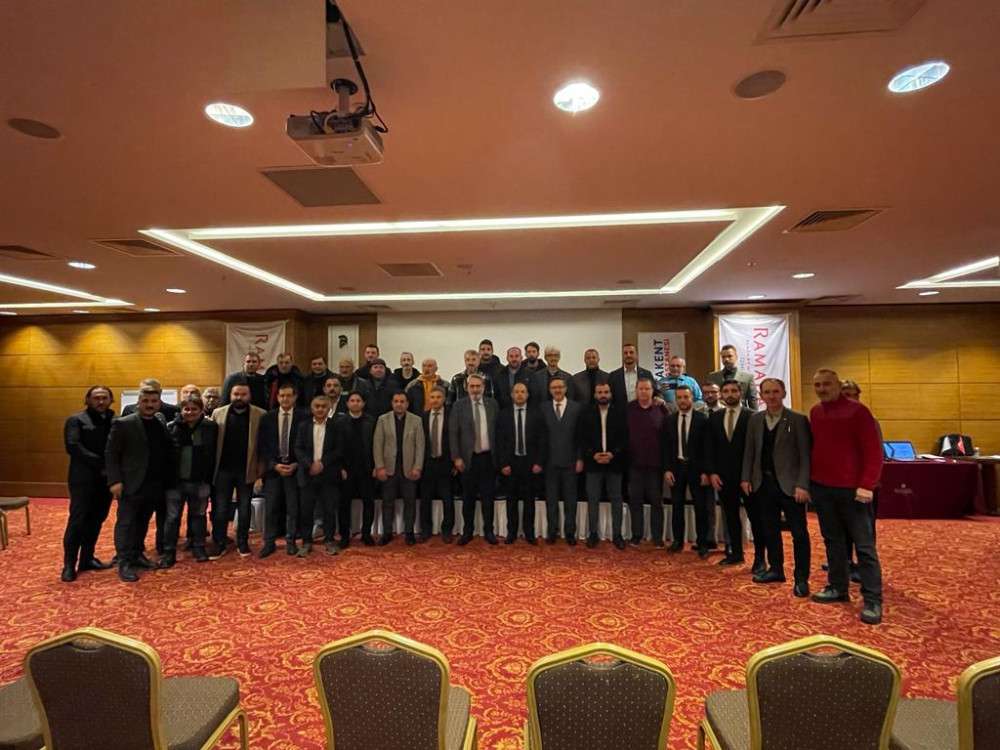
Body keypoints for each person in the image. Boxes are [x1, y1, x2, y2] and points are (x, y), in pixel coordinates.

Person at [809, 368, 884, 625]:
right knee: (833, 542)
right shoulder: (815, 413)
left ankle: (872, 599)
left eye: (826, 384)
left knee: (864, 546)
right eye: (817, 385)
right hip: (823, 489)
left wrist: (867, 485)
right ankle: (838, 587)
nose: (822, 389)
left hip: (854, 492)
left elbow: (873, 452)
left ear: (838, 386)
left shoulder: (858, 412)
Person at [741, 377, 812, 597]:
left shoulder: (798, 419)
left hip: (791, 486)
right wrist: (746, 477)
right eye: (767, 392)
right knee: (769, 529)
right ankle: (776, 569)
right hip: (763, 484)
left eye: (775, 392)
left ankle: (801, 579)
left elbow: (806, 455)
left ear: (783, 393)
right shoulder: (755, 419)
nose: (771, 396)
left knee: (799, 533)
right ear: (761, 395)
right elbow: (749, 451)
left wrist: (803, 484)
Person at [105, 383, 176, 582]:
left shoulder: (160, 420)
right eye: (145, 401)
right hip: (131, 483)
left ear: (159, 403)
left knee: (143, 521)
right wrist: (115, 480)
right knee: (126, 523)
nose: (149, 404)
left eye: (154, 401)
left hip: (154, 483)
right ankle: (124, 562)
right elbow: (111, 454)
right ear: (139, 402)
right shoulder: (123, 423)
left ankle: (137, 554)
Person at [61, 385, 116, 582]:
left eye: (104, 398)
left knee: (97, 519)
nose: (100, 401)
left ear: (111, 400)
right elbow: (73, 447)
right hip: (82, 479)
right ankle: (69, 565)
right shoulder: (76, 420)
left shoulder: (114, 420)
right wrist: (102, 462)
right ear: (87, 400)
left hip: (105, 480)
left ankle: (87, 558)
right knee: (78, 520)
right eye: (96, 398)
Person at [210, 382, 265, 559]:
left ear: (249, 396)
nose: (239, 397)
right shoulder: (218, 413)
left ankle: (242, 542)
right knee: (220, 508)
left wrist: (260, 472)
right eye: (236, 394)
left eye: (243, 394)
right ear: (230, 395)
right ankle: (219, 542)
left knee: (244, 508)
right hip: (223, 469)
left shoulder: (260, 414)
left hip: (246, 469)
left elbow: (263, 446)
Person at [162, 394, 217, 567]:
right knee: (172, 518)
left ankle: (199, 547)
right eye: (186, 409)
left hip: (200, 481)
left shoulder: (210, 427)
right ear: (181, 410)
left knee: (199, 515)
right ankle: (169, 552)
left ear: (201, 410)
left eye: (194, 409)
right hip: (175, 482)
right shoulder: (171, 427)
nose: (190, 412)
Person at [706, 380, 757, 568]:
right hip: (723, 477)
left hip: (747, 478)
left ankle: (760, 558)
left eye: (733, 391)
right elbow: (710, 448)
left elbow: (756, 449)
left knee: (755, 517)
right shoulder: (715, 417)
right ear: (721, 394)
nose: (730, 394)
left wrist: (750, 476)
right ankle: (736, 553)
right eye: (726, 391)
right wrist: (712, 473)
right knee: (731, 517)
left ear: (740, 393)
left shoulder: (752, 416)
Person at [257, 383, 308, 558]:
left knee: (292, 508)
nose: (285, 399)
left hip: (295, 469)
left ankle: (291, 541)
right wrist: (274, 465)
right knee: (271, 507)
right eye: (282, 396)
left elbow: (307, 444)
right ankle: (269, 542)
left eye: (289, 395)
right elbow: (262, 445)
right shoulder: (267, 418)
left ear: (295, 397)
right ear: (277, 397)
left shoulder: (304, 417)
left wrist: (297, 464)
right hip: (274, 470)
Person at [449, 374, 500, 545]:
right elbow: (453, 434)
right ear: (466, 387)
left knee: (488, 498)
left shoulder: (492, 404)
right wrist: (456, 457)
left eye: (478, 386)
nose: (476, 389)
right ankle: (467, 531)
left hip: (488, 458)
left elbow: (498, 431)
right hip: (467, 459)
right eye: (472, 386)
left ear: (484, 387)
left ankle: (489, 531)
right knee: (468, 498)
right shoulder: (458, 406)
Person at [842, 378, 882, 582]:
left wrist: (867, 484)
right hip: (840, 484)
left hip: (863, 486)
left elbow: (876, 454)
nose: (849, 399)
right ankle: (846, 561)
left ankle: (863, 568)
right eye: (845, 395)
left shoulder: (869, 420)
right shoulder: (835, 419)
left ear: (858, 396)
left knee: (864, 532)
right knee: (842, 529)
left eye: (852, 395)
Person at [580, 381, 627, 549]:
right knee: (593, 499)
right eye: (599, 392)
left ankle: (617, 535)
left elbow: (625, 437)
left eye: (606, 392)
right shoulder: (586, 413)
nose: (603, 395)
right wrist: (593, 454)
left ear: (611, 394)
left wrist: (613, 454)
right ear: (594, 395)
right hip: (593, 463)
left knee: (616, 499)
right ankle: (593, 534)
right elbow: (582, 438)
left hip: (615, 462)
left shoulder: (620, 412)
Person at [665, 385, 711, 556]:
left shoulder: (702, 419)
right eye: (679, 397)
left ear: (692, 398)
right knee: (677, 506)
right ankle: (677, 541)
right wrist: (667, 469)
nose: (683, 400)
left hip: (697, 470)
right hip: (676, 468)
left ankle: (702, 543)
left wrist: (706, 472)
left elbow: (707, 448)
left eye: (686, 397)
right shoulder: (670, 420)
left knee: (700, 507)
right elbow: (665, 447)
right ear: (675, 400)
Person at [374, 391, 425, 545]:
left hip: (409, 468)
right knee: (387, 502)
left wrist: (417, 467)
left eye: (402, 401)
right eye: (396, 401)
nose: (399, 404)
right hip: (389, 468)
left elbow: (420, 446)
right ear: (392, 403)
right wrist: (379, 467)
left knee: (410, 502)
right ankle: (387, 533)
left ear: (407, 404)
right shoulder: (382, 420)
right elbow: (377, 445)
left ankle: (409, 533)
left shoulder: (416, 420)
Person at [497, 382, 545, 544]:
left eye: (522, 392)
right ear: (511, 395)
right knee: (511, 500)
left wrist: (539, 462)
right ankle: (511, 532)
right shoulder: (503, 414)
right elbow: (499, 441)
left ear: (527, 395)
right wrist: (503, 463)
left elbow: (542, 440)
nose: (519, 394)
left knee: (529, 500)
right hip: (511, 464)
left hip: (530, 464)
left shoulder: (537, 414)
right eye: (516, 392)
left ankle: (529, 532)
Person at [294, 395, 342, 556]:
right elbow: (298, 448)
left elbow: (339, 449)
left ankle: (329, 540)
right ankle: (306, 541)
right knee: (306, 510)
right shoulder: (303, 426)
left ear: (329, 408)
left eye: (323, 406)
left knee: (329, 510)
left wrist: (322, 463)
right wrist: (310, 464)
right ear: (312, 408)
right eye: (317, 406)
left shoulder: (336, 426)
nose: (320, 409)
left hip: (329, 474)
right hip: (307, 474)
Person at [625, 379, 670, 545]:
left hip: (655, 465)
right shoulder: (629, 409)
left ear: (652, 391)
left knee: (656, 502)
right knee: (635, 501)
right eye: (640, 389)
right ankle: (636, 535)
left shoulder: (661, 409)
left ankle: (657, 537)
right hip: (634, 464)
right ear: (636, 390)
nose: (643, 392)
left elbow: (668, 436)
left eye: (647, 389)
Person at [541, 377, 584, 544]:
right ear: (550, 390)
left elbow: (580, 436)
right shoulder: (543, 408)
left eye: (560, 387)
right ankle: (552, 531)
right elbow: (540, 437)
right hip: (550, 462)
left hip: (571, 462)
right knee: (551, 500)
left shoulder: (576, 408)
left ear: (565, 389)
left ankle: (570, 532)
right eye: (554, 388)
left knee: (570, 500)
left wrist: (580, 458)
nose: (557, 390)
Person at [338, 390, 377, 546]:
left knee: (369, 502)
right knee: (344, 504)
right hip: (346, 470)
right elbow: (336, 447)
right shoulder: (340, 422)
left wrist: (376, 466)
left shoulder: (371, 421)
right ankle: (344, 536)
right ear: (347, 403)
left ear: (363, 403)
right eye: (352, 400)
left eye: (358, 400)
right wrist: (340, 467)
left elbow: (376, 445)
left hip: (366, 469)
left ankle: (366, 534)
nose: (355, 403)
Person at [419, 386, 456, 542]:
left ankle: (447, 530)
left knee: (447, 499)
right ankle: (425, 530)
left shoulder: (452, 416)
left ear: (444, 399)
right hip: (427, 464)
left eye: (438, 397)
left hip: (445, 463)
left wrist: (455, 461)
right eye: (432, 397)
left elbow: (456, 439)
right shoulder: (422, 417)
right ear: (429, 399)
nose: (435, 400)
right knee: (425, 499)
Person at [707, 345, 758, 410]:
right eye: (723, 357)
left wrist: (755, 415)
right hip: (718, 413)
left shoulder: (748, 377)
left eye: (729, 356)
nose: (726, 359)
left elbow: (753, 400)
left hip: (740, 413)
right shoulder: (712, 377)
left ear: (736, 357)